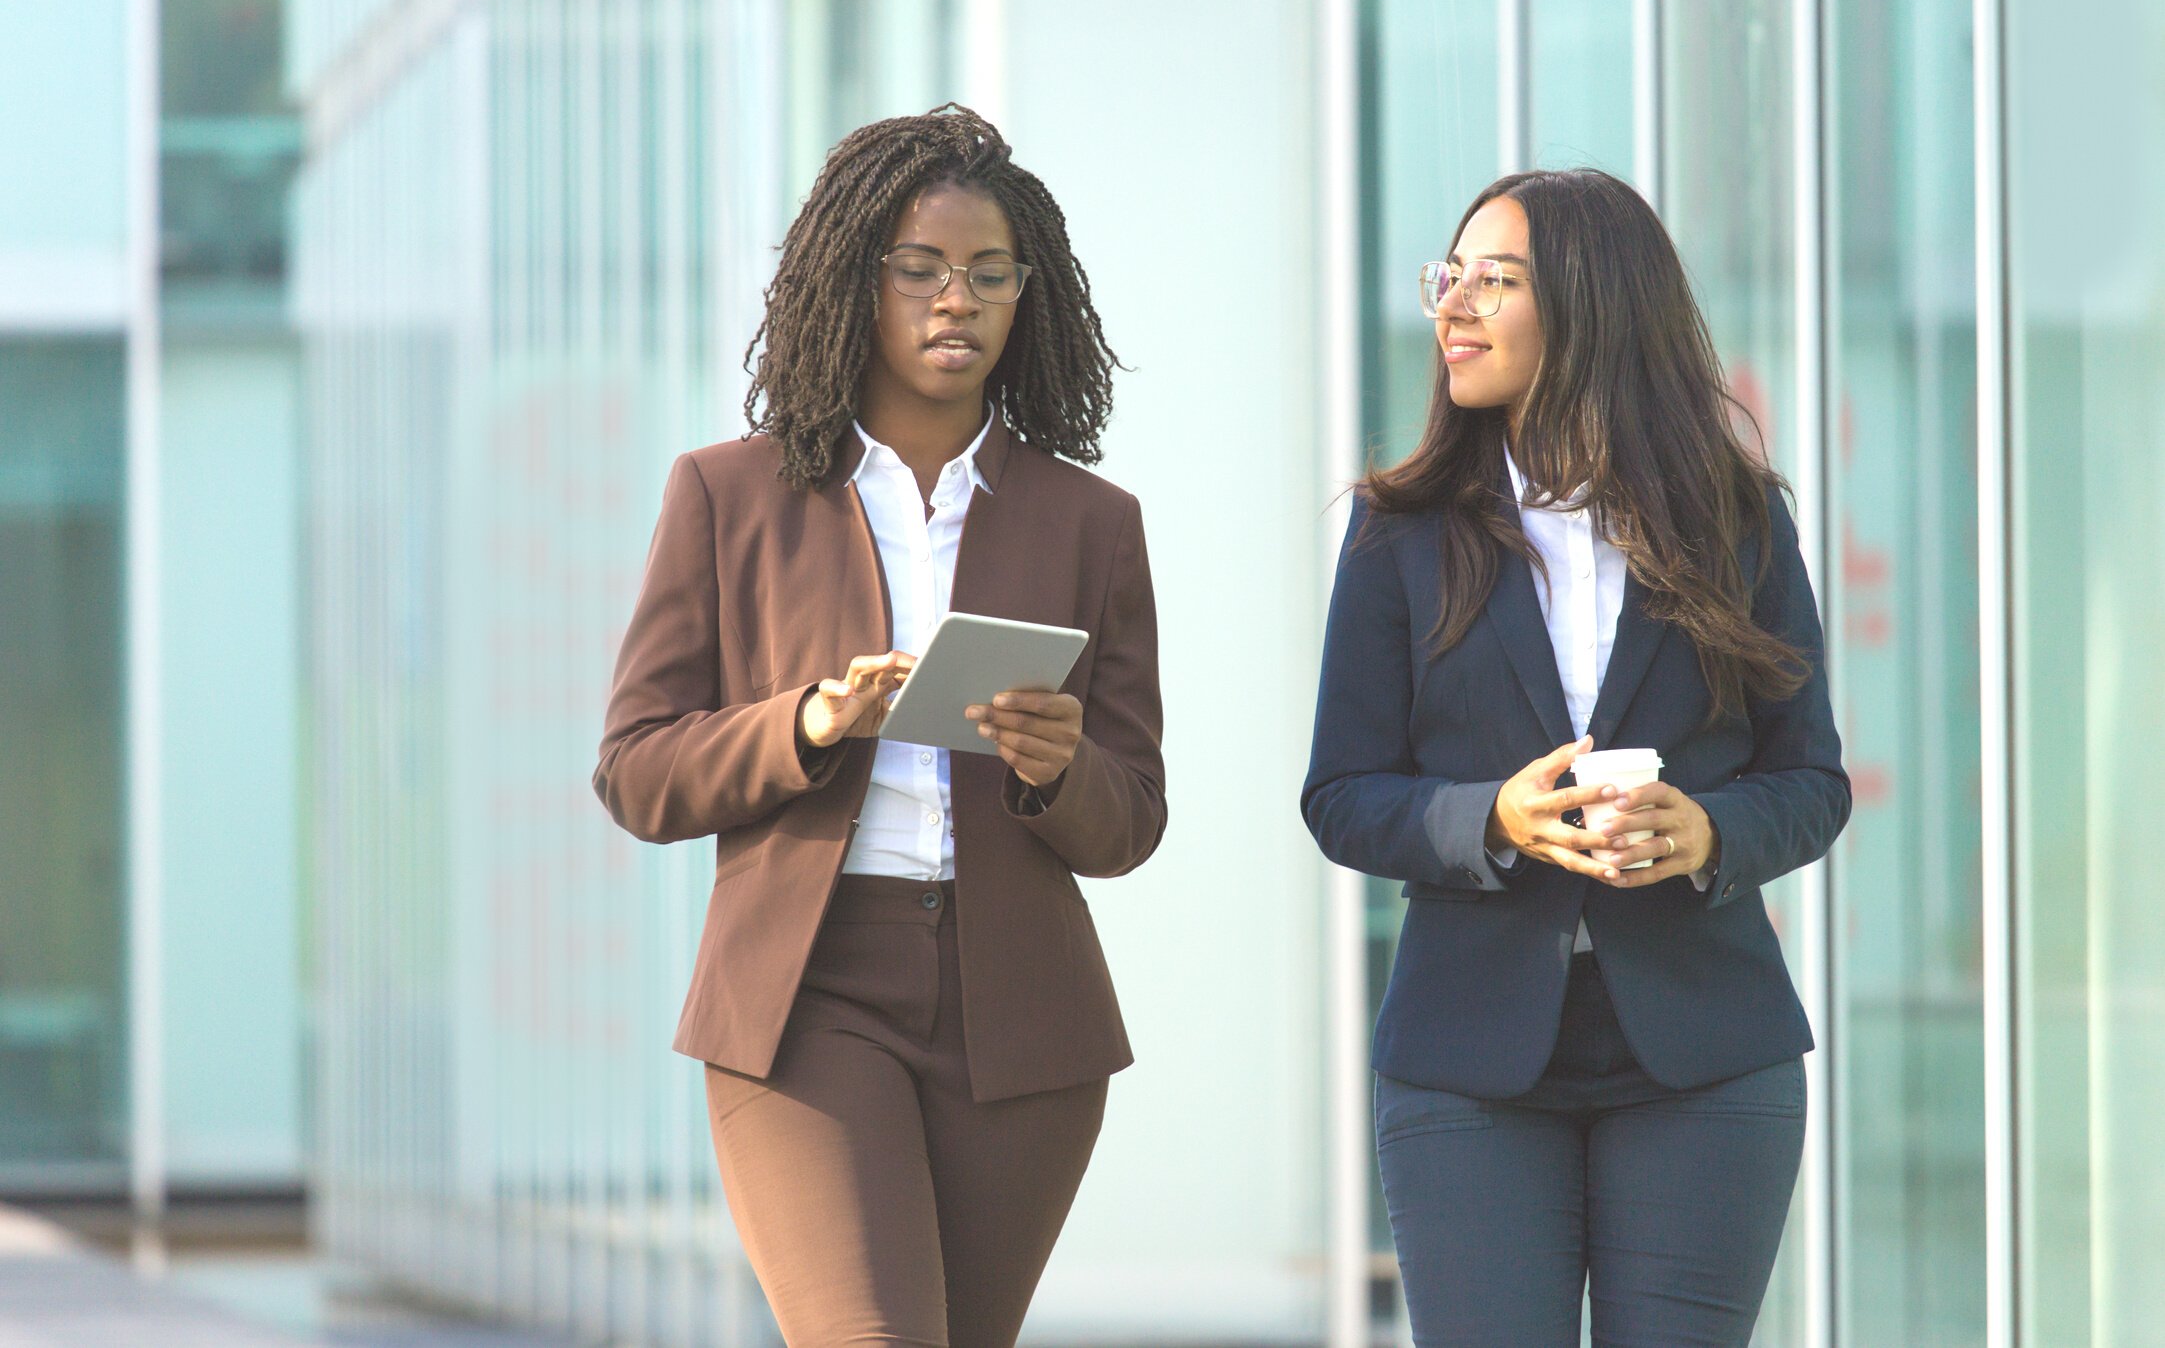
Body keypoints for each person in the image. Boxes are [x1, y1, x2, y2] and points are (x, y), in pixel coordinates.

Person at [593, 105, 1165, 1348]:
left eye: (987, 273)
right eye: (918, 267)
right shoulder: (726, 494)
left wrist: (1056, 769)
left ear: (1028, 296)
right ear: (855, 279)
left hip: (1020, 1019)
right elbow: (636, 769)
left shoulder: (1090, 522)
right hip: (808, 997)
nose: (953, 298)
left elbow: (1131, 819)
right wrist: (803, 720)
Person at [1302, 168, 1849, 1346]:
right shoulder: (1395, 532)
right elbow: (1341, 797)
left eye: (1492, 281)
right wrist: (1489, 818)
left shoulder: (1736, 519)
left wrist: (1708, 832)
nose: (1451, 305)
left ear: (1595, 304)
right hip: (1465, 1060)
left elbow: (1810, 780)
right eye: (1446, 277)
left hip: (1706, 1057)